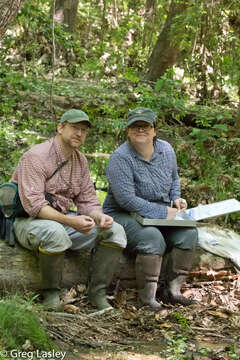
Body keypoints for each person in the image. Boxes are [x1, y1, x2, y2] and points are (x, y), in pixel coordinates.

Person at [11, 109, 127, 311]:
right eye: (74, 128)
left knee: (116, 231)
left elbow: (88, 201)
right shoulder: (36, 157)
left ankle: (97, 294)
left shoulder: (80, 160)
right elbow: (35, 206)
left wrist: (99, 217)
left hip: (62, 220)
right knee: (54, 233)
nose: (79, 134)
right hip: (27, 222)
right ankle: (51, 296)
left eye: (83, 130)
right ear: (60, 128)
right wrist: (72, 222)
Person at [103, 107, 198, 311]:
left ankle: (173, 291)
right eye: (135, 126)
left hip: (159, 213)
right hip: (122, 214)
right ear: (128, 131)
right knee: (152, 238)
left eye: (145, 126)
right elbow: (127, 200)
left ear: (154, 130)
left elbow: (173, 180)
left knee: (188, 234)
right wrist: (164, 213)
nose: (141, 130)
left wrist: (176, 200)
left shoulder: (166, 150)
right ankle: (147, 300)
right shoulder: (120, 158)